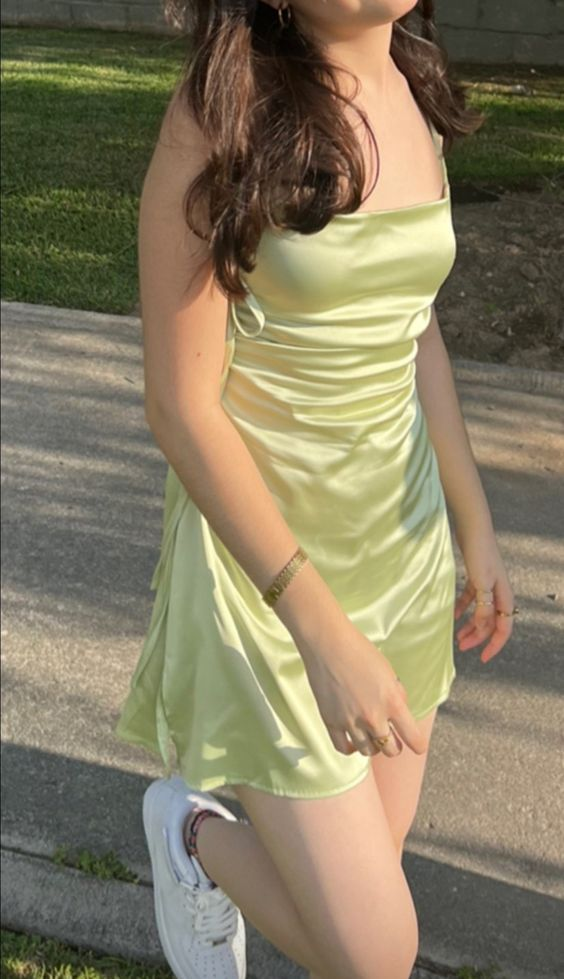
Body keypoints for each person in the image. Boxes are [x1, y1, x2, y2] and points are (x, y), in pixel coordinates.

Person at [114, 2, 518, 977]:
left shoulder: (416, 88)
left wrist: (471, 515)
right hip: (268, 578)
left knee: (366, 877)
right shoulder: (223, 114)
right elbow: (181, 407)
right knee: (375, 951)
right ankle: (191, 836)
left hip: (400, 549)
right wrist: (319, 629)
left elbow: (412, 323)